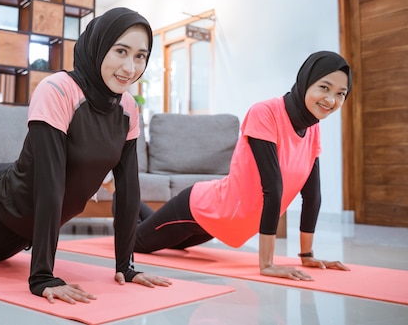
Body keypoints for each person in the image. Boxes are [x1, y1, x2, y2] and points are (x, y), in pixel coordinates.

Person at [0, 7, 171, 305]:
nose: (130, 67)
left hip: (19, 237)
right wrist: (42, 276)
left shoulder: (127, 107)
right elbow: (51, 185)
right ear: (99, 46)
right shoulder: (60, 90)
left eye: (140, 55)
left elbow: (128, 190)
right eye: (121, 51)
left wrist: (125, 265)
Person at [132, 51, 352, 281]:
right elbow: (272, 187)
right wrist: (267, 264)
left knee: (169, 243)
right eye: (324, 88)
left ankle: (132, 204)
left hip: (219, 226)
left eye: (340, 94)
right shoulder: (265, 112)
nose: (330, 100)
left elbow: (312, 194)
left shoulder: (313, 130)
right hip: (202, 209)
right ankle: (121, 196)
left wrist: (307, 255)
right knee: (136, 242)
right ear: (306, 80)